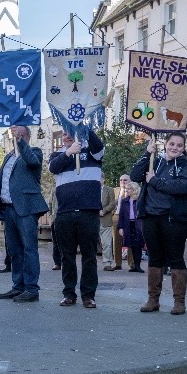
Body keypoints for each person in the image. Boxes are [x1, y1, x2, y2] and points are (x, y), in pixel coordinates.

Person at [131, 132, 187, 314]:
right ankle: (153, 299)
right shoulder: (155, 161)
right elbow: (135, 174)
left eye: (179, 145)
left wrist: (154, 181)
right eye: (172, 144)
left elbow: (181, 187)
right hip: (150, 217)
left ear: (184, 148)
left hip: (174, 219)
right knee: (154, 258)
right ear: (165, 144)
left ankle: (179, 302)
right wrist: (146, 153)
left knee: (176, 258)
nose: (175, 147)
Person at [48, 129, 106, 308]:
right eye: (64, 133)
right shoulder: (57, 155)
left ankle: (88, 295)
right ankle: (69, 293)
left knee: (89, 256)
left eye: (71, 132)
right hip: (65, 213)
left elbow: (99, 146)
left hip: (88, 212)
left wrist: (84, 127)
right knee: (67, 256)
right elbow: (53, 168)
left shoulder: (92, 153)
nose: (67, 136)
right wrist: (68, 152)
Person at [0, 125, 49, 303]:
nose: (16, 136)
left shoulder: (35, 152)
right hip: (9, 208)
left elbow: (32, 162)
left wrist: (21, 143)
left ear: (27, 137)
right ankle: (18, 286)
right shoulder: (9, 156)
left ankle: (32, 288)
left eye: (21, 134)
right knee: (14, 250)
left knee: (29, 249)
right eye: (15, 134)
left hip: (25, 208)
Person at [118, 181, 145, 272]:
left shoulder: (140, 200)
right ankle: (134, 265)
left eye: (129, 189)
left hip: (138, 224)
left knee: (139, 245)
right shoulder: (124, 201)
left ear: (134, 190)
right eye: (127, 189)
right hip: (128, 224)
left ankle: (138, 266)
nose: (127, 190)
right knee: (132, 245)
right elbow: (121, 215)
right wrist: (120, 227)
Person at [99, 180, 117, 271]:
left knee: (107, 243)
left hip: (105, 219)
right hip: (93, 220)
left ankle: (107, 263)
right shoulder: (91, 189)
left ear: (103, 179)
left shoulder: (109, 190)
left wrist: (104, 211)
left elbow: (113, 203)